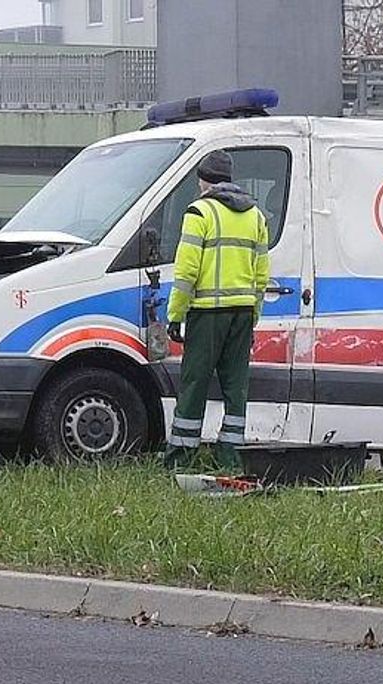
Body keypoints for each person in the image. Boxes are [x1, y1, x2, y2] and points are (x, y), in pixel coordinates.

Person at [164, 151, 270, 470]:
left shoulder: (199, 212)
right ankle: (231, 458)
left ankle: (181, 458)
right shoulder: (256, 216)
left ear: (203, 179)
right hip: (242, 313)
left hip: (207, 313)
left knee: (194, 384)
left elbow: (186, 272)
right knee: (236, 387)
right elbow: (261, 275)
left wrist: (176, 315)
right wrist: (253, 316)